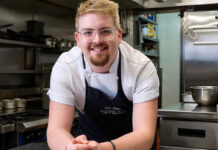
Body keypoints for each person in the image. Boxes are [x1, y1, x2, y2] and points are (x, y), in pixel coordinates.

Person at [46, 0, 159, 149]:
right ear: (78, 39)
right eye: (88, 32)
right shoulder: (67, 67)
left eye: (105, 31)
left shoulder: (141, 67)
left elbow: (145, 135)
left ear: (118, 35)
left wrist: (103, 148)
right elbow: (56, 129)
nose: (97, 40)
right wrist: (69, 147)